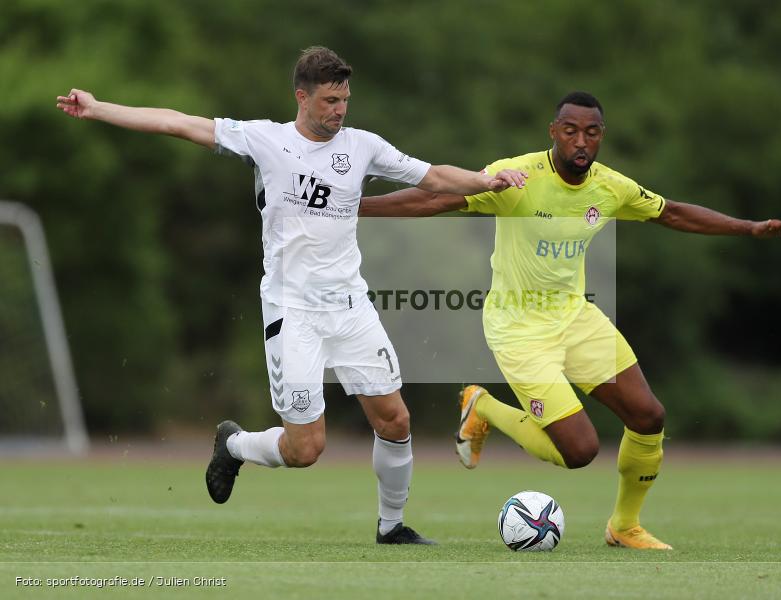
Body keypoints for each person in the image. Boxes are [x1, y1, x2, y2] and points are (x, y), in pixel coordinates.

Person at [55, 46, 525, 545]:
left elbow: (432, 176)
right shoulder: (265, 139)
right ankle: (234, 445)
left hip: (351, 308)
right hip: (292, 313)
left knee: (395, 419)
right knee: (305, 449)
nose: (340, 110)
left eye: (345, 100)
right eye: (329, 101)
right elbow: (177, 123)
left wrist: (484, 180)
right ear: (301, 97)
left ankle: (392, 527)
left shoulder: (363, 146)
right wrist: (99, 108)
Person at [359, 91, 781, 550]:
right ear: (553, 132)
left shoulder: (611, 187)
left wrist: (749, 227)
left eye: (591, 133)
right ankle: (484, 407)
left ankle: (624, 526)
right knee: (579, 451)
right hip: (519, 329)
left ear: (601, 137)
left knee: (649, 416)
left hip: (576, 317)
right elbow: (437, 199)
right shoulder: (516, 177)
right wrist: (356, 207)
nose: (580, 141)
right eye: (570, 131)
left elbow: (672, 212)